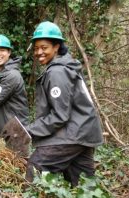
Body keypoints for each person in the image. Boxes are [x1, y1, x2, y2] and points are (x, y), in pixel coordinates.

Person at [25, 21, 103, 186]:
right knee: (84, 185)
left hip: (75, 133)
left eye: (44, 47)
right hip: (85, 132)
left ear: (56, 47)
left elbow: (60, 116)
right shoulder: (65, 66)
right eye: (36, 48)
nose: (39, 52)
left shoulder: (57, 72)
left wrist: (30, 130)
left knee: (36, 165)